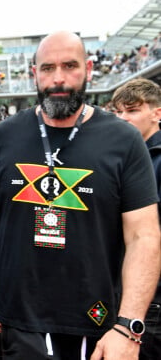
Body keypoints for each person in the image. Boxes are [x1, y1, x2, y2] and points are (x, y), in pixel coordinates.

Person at [0, 31, 161, 360]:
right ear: (34, 73)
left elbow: (144, 235)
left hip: (100, 320)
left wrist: (128, 325)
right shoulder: (5, 136)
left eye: (69, 66)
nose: (58, 78)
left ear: (88, 69)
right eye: (47, 68)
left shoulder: (124, 140)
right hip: (18, 317)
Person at [112, 77, 161, 360]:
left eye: (131, 111)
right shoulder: (124, 157)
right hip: (124, 289)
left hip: (151, 298)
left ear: (157, 113)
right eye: (118, 111)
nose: (122, 118)